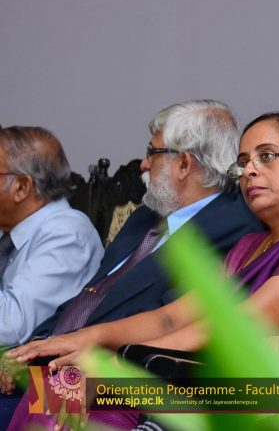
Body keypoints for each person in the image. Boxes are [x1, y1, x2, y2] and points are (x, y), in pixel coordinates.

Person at [0, 100, 263, 427]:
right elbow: (90, 296)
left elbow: (176, 323)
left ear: (184, 163)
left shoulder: (236, 228)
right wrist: (31, 349)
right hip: (58, 363)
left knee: (39, 409)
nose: (143, 163)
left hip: (113, 377)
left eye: (153, 152)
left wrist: (69, 360)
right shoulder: (146, 216)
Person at [0, 127, 102, 347]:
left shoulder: (66, 235)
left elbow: (10, 328)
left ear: (22, 187)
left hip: (39, 367)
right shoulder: (9, 226)